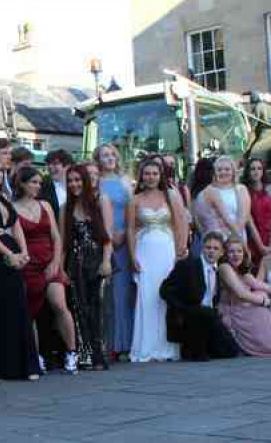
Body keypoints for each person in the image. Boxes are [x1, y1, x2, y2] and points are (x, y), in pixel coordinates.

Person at [0, 157, 42, 380]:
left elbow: (16, 226)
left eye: (1, 171)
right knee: (2, 308)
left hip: (14, 254)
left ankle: (26, 365)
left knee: (19, 308)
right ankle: (3, 365)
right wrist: (9, 254)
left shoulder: (6, 197)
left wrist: (23, 252)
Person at [13, 167, 78, 374]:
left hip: (49, 260)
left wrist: (55, 263)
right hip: (29, 263)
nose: (37, 186)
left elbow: (57, 237)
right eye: (33, 182)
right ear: (22, 184)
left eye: (40, 183)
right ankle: (36, 355)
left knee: (59, 304)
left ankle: (72, 352)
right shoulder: (12, 207)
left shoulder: (46, 205)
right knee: (31, 310)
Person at [127, 159, 186, 362]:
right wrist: (132, 255)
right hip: (144, 251)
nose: (150, 177)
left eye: (154, 173)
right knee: (147, 297)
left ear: (160, 176)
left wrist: (181, 249)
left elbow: (181, 223)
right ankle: (147, 346)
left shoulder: (170, 196)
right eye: (147, 174)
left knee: (166, 296)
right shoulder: (134, 200)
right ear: (141, 176)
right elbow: (130, 229)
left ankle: (167, 346)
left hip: (167, 250)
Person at [60, 164, 114, 370]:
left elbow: (107, 236)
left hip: (98, 260)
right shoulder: (66, 208)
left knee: (98, 308)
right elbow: (63, 241)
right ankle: (86, 355)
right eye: (70, 181)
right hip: (75, 264)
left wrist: (107, 261)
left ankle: (100, 355)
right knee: (80, 308)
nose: (74, 184)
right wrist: (61, 269)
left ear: (85, 180)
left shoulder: (101, 201)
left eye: (77, 180)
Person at [159, 232, 240, 361]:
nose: (211, 252)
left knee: (232, 351)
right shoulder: (187, 265)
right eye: (208, 248)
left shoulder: (218, 271)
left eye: (215, 249)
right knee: (202, 355)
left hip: (210, 318)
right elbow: (164, 290)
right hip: (190, 317)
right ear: (202, 249)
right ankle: (193, 348)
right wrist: (183, 309)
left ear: (221, 252)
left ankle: (200, 347)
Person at [94, 143, 134, 362]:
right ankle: (111, 343)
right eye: (104, 155)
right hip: (104, 241)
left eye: (112, 154)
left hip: (124, 241)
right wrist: (108, 237)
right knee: (108, 297)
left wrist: (124, 234)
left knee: (123, 295)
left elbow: (132, 210)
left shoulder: (125, 181)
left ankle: (126, 343)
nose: (109, 158)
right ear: (98, 160)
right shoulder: (96, 182)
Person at [197, 156, 249, 243]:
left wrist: (236, 238)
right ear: (214, 172)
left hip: (237, 239)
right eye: (219, 170)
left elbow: (244, 217)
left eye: (227, 169)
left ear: (233, 172)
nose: (223, 172)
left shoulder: (241, 189)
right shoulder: (209, 191)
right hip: (215, 240)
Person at [243, 158, 271, 265]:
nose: (256, 172)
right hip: (254, 237)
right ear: (248, 172)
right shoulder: (244, 191)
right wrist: (260, 246)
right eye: (253, 169)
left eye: (259, 168)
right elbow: (249, 221)